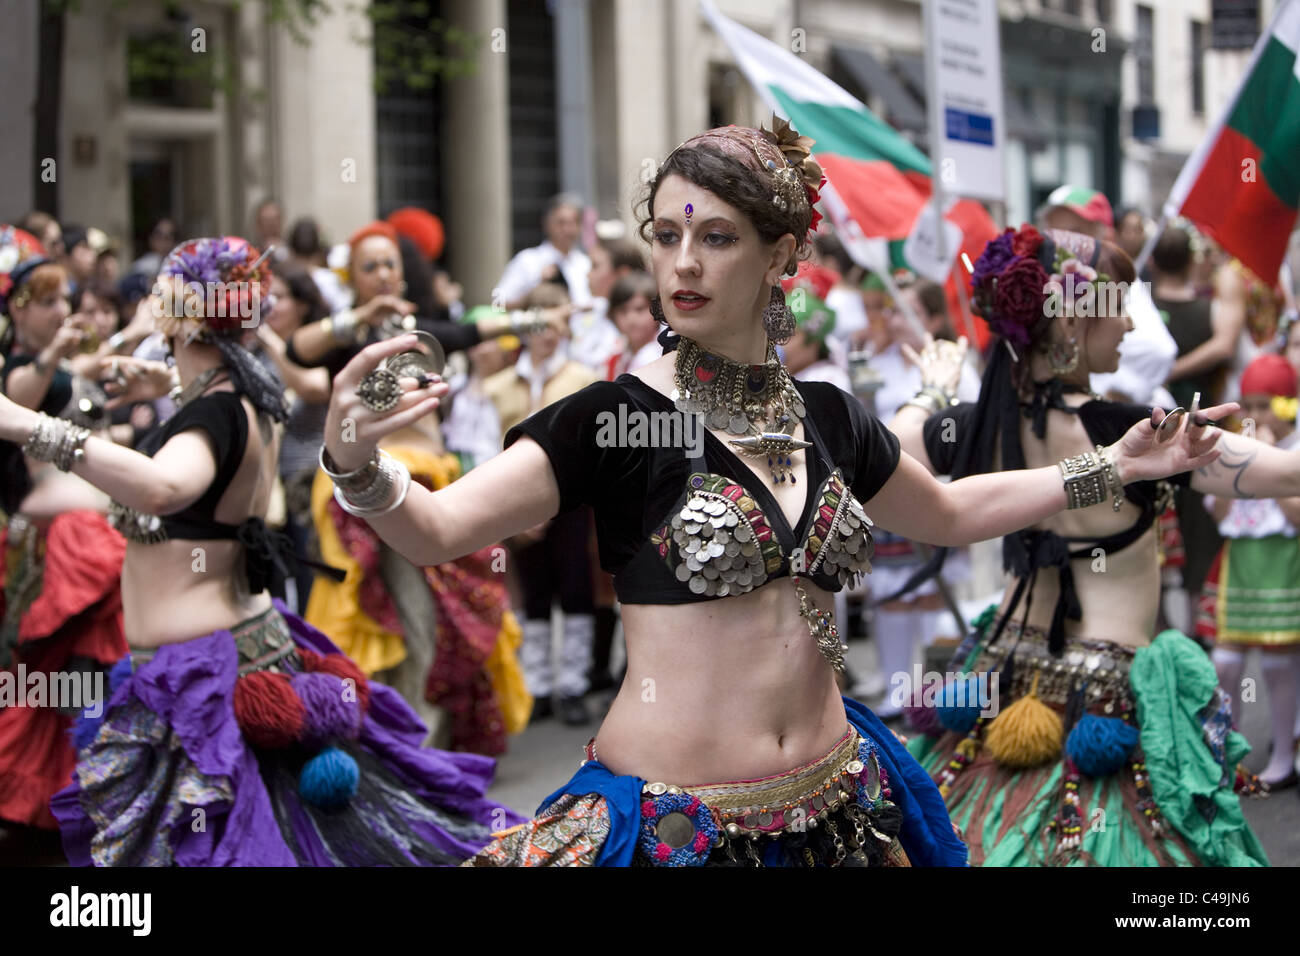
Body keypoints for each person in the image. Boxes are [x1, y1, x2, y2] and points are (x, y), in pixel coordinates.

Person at [316, 119, 1226, 867]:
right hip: (679, 828)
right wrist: (358, 462)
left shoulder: (828, 416)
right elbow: (436, 531)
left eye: (715, 238)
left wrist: (1118, 468)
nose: (683, 265)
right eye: (667, 236)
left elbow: (948, 515)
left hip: (841, 807)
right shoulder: (613, 420)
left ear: (781, 253)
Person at [0, 235, 519, 864]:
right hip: (219, 661)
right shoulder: (236, 396)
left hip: (207, 681)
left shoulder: (215, 410)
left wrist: (26, 424)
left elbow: (167, 486)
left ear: (181, 313)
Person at [893, 222, 1284, 866]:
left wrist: (934, 386)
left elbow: (894, 443)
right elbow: (1284, 473)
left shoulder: (974, 426)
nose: (1129, 326)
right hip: (1108, 700)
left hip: (1003, 675)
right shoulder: (1141, 437)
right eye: (1119, 306)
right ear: (1072, 323)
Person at [0, 229, 128, 836]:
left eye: (63, 300)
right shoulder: (23, 369)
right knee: (51, 674)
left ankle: (91, 797)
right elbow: (16, 402)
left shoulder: (67, 365)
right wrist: (59, 360)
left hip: (91, 531)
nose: (61, 311)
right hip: (56, 544)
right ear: (18, 307)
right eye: (47, 301)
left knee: (86, 673)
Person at [482, 282, 599, 726]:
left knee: (573, 584)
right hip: (518, 503)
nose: (547, 331)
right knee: (532, 590)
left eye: (556, 320)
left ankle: (572, 683)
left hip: (568, 501)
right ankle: (538, 685)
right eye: (538, 319)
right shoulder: (499, 385)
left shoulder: (582, 378)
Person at [1199, 354, 1300, 789]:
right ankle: (1226, 753)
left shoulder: (1294, 452)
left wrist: (1272, 461)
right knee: (1224, 663)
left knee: (1279, 666)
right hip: (1239, 566)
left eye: (1266, 405)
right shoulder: (1233, 448)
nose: (1256, 415)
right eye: (1250, 406)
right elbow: (1219, 513)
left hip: (1282, 565)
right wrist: (1237, 465)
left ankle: (1283, 753)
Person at [1038, 185, 1176, 406]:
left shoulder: (1115, 284)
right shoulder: (1052, 282)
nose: (1061, 243)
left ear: (1105, 233)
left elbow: (1159, 352)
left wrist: (1110, 395)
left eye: (1073, 232)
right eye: (1052, 232)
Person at [494, 193, 591, 310]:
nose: (567, 229)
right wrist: (531, 292)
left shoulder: (586, 264)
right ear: (547, 224)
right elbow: (496, 302)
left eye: (573, 223)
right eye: (561, 223)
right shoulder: (526, 260)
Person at [604, 271, 660, 379]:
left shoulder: (666, 353)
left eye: (639, 309)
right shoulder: (615, 357)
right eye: (623, 311)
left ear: (658, 310)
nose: (631, 319)